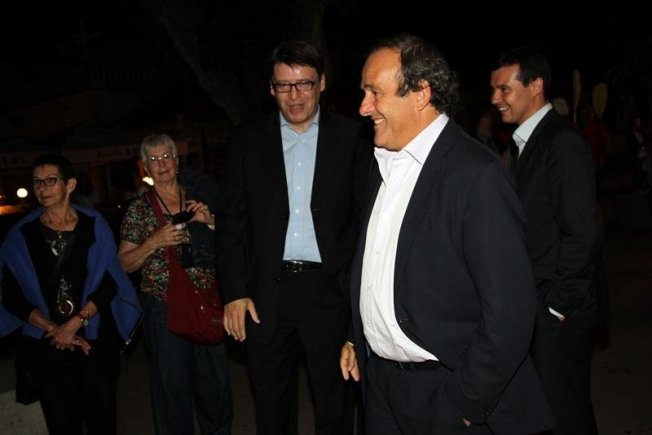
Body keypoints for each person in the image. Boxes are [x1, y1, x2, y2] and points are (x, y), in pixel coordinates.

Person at [339, 33, 554, 434]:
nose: (363, 107)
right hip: (381, 386)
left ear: (420, 93)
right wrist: (358, 334)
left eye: (375, 93)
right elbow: (379, 263)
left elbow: (510, 311)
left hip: (445, 392)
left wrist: (468, 399)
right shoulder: (381, 164)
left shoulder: (476, 175)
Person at [216, 40, 371, 435]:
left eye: (304, 83)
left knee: (335, 405)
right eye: (284, 85)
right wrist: (234, 291)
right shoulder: (247, 141)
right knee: (271, 407)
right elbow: (231, 223)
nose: (295, 95)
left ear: (322, 83)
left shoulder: (353, 138)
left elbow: (366, 223)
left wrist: (359, 299)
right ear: (271, 88)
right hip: (267, 294)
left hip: (331, 292)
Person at [490, 46, 603, 434]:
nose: (495, 99)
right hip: (540, 303)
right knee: (547, 412)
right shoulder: (527, 143)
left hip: (558, 312)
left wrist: (556, 307)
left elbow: (583, 231)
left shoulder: (561, 142)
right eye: (494, 89)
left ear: (535, 86)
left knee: (566, 414)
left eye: (505, 89)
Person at [0, 153, 142, 435]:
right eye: (37, 182)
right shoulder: (20, 235)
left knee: (102, 419)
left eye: (50, 180)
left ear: (70, 185)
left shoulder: (94, 224)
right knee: (62, 423)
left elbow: (110, 281)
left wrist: (76, 322)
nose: (42, 188)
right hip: (46, 343)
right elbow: (11, 295)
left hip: (93, 339)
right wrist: (55, 329)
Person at [117, 134, 232, 434]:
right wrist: (155, 241)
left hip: (207, 304)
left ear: (177, 162)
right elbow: (123, 263)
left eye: (166, 157)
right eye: (154, 160)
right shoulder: (139, 209)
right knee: (172, 392)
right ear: (145, 167)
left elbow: (231, 248)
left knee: (216, 389)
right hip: (164, 309)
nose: (162, 164)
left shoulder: (199, 198)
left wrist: (210, 222)